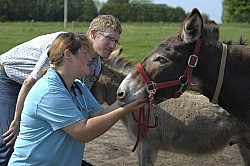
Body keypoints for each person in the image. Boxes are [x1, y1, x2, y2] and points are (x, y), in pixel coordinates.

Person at [7, 32, 145, 165]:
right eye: (85, 53)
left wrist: (132, 97)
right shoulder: (49, 91)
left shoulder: (78, 87)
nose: (90, 58)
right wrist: (124, 110)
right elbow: (83, 132)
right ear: (68, 55)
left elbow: (101, 114)